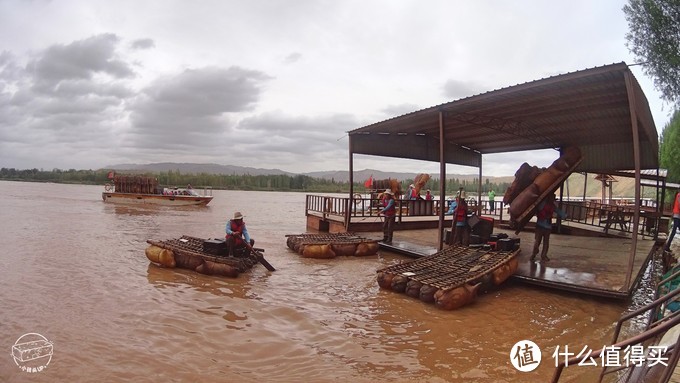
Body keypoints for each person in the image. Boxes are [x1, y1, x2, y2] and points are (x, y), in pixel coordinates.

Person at [531, 193, 567, 262]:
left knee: (545, 242)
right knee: (538, 242)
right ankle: (534, 254)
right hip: (540, 226)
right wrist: (564, 215)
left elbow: (558, 211)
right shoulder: (542, 204)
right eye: (552, 198)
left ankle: (542, 255)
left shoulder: (551, 206)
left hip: (547, 227)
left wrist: (564, 215)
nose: (553, 200)